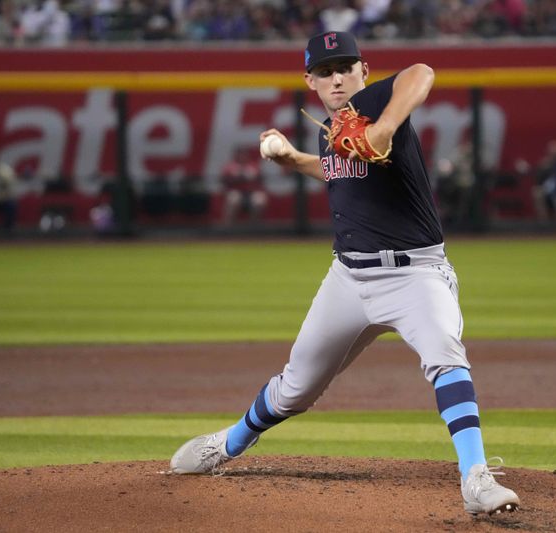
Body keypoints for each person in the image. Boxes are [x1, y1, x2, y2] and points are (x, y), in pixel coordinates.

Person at [170, 30, 520, 517]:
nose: (337, 79)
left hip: (415, 275)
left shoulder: (374, 103)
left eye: (346, 68)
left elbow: (422, 73)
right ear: (309, 80)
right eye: (326, 72)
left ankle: (476, 477)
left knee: (444, 353)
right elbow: (337, 169)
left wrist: (384, 128)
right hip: (348, 279)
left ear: (364, 72)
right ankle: (227, 444)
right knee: (295, 388)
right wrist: (293, 160)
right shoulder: (328, 128)